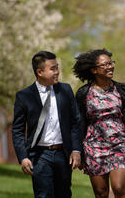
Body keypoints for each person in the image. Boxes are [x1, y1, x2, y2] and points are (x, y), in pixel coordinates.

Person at [73, 49, 125, 198]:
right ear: (94, 70)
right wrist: (78, 151)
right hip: (94, 146)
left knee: (119, 188)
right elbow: (78, 123)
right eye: (105, 65)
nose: (110, 67)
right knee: (101, 193)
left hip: (119, 143)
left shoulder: (121, 89)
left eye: (111, 63)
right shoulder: (84, 93)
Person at [12, 51, 82, 198]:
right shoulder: (24, 96)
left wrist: (76, 149)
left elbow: (76, 122)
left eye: (57, 67)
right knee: (44, 195)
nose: (57, 72)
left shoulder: (66, 90)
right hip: (39, 155)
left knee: (64, 194)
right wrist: (23, 157)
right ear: (40, 72)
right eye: (53, 69)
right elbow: (17, 130)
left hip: (63, 154)